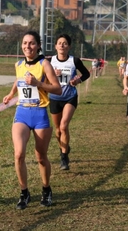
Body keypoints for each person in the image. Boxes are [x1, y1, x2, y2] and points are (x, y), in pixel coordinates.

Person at [2, 31, 61, 210]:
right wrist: (11, 93)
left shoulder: (45, 64)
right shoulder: (19, 64)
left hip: (40, 113)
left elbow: (57, 89)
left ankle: (46, 189)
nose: (28, 46)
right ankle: (24, 192)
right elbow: (19, 79)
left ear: (38, 46)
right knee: (19, 154)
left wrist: (38, 84)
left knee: (41, 157)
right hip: (22, 113)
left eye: (32, 43)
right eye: (25, 43)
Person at [49, 34, 90, 170]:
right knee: (57, 130)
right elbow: (42, 77)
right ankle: (64, 147)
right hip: (54, 98)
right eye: (59, 43)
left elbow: (86, 74)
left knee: (63, 126)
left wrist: (77, 80)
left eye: (65, 43)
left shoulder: (74, 61)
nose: (62, 45)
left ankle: (64, 157)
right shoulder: (49, 61)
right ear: (55, 46)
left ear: (69, 46)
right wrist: (52, 75)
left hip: (69, 97)